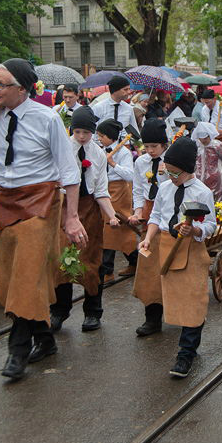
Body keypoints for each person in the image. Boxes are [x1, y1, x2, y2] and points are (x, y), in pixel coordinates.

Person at [0, 59, 84, 381]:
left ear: (22, 89)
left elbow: (69, 170)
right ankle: (45, 339)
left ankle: (17, 350)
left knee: (26, 276)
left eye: (1, 84)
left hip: (41, 201)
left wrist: (72, 217)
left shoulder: (47, 118)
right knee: (10, 278)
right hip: (6, 201)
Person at [138, 137, 217, 378]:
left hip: (190, 249)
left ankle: (186, 353)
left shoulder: (202, 192)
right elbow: (156, 216)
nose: (170, 176)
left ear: (187, 169)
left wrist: (194, 230)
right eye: (168, 171)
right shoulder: (165, 188)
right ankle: (153, 320)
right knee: (164, 293)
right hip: (165, 244)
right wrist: (148, 238)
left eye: (175, 172)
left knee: (192, 300)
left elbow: (210, 225)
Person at [50, 106, 118, 333]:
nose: (81, 137)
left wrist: (112, 215)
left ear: (93, 132)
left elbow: (101, 190)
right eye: (77, 131)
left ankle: (93, 311)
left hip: (89, 209)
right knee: (62, 261)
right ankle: (59, 310)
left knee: (92, 262)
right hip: (64, 208)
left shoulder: (98, 154)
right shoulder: (61, 150)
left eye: (86, 133)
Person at [131, 118, 169, 336]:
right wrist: (138, 212)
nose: (150, 150)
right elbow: (138, 189)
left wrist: (166, 173)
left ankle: (178, 311)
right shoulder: (140, 162)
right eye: (146, 146)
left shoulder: (172, 160)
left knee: (171, 266)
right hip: (149, 213)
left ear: (164, 145)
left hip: (170, 214)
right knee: (149, 267)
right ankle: (152, 318)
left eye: (154, 146)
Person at [98, 118, 139, 284]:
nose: (99, 139)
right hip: (104, 190)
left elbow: (130, 175)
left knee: (115, 229)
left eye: (102, 136)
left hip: (120, 191)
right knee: (111, 230)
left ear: (110, 136)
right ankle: (134, 261)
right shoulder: (100, 149)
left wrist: (113, 163)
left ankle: (107, 270)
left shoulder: (124, 153)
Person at [191, 122, 222, 202]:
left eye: (205, 137)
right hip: (198, 176)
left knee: (215, 198)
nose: (203, 140)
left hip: (214, 176)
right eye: (200, 138)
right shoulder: (196, 146)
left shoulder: (216, 145)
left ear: (209, 135)